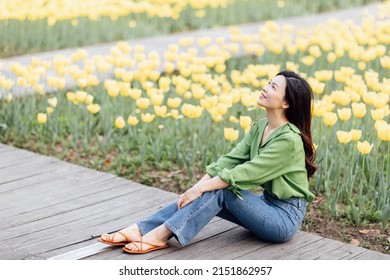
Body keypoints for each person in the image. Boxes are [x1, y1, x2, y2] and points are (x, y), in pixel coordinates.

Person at [98, 70, 317, 254]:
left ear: (286, 102)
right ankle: (141, 229)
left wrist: (200, 188)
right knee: (212, 189)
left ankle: (159, 235)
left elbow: (247, 173)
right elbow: (229, 161)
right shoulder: (261, 127)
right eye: (269, 83)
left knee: (220, 189)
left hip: (283, 219)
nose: (266, 87)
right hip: (265, 205)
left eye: (273, 87)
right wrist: (196, 188)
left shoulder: (289, 140)